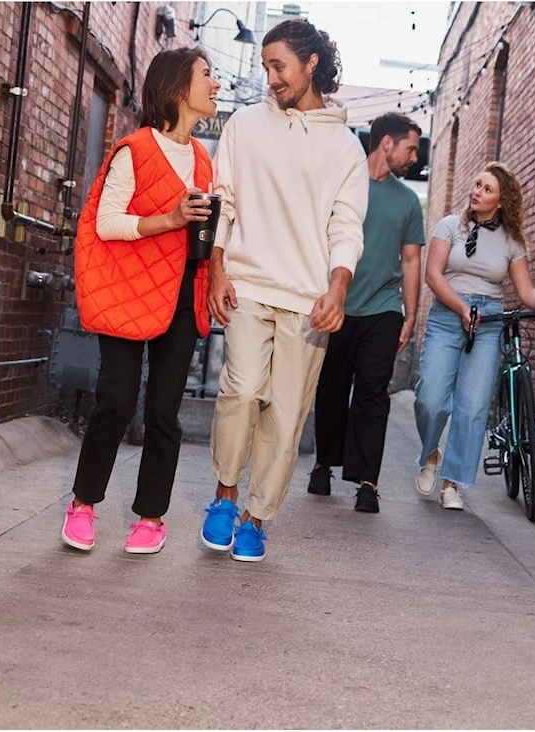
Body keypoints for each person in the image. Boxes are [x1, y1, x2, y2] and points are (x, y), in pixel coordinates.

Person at [199, 19, 369, 561]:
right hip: (247, 284)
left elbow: (346, 224)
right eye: (265, 66)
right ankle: (225, 497)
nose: (269, 77)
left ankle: (257, 517)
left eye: (278, 66)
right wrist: (215, 269)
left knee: (286, 413)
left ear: (310, 63)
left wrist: (338, 286)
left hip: (307, 298)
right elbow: (221, 199)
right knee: (242, 389)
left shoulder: (345, 147)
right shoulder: (245, 126)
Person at [61, 47, 221, 554]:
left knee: (164, 412)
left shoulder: (201, 156)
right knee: (116, 400)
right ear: (177, 88)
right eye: (207, 75)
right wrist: (170, 220)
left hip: (179, 294)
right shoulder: (134, 149)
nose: (216, 84)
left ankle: (151, 518)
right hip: (129, 292)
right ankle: (83, 505)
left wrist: (218, 266)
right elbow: (105, 223)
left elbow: (206, 231)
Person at [414, 162, 535, 509]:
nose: (476, 192)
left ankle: (453, 483)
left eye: (486, 189)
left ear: (500, 202)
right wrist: (461, 308)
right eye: (477, 185)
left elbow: (527, 292)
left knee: (471, 407)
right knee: (431, 398)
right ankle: (431, 454)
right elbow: (433, 275)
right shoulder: (450, 226)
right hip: (447, 315)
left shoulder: (512, 241)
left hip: (488, 321)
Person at [307, 112, 425, 513]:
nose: (415, 157)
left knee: (373, 394)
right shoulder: (342, 184)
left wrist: (410, 315)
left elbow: (411, 260)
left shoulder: (408, 201)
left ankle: (367, 482)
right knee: (332, 388)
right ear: (387, 144)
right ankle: (323, 463)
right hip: (338, 306)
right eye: (410, 148)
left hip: (383, 308)